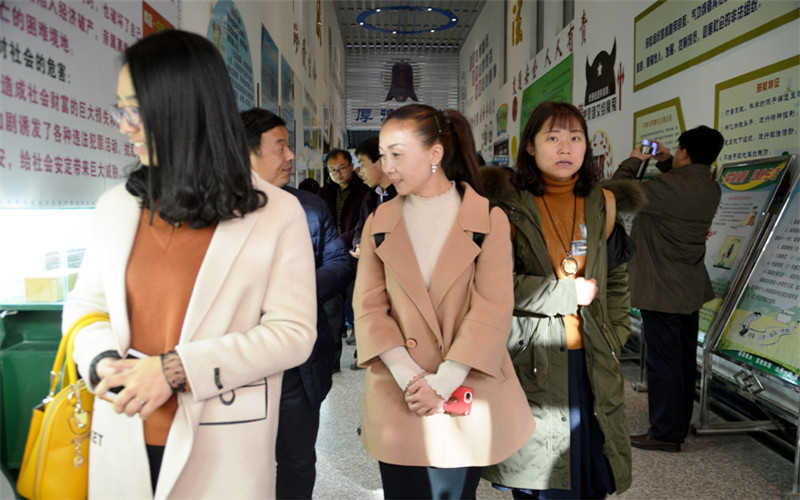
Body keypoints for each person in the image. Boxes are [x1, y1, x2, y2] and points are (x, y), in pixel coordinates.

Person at [65, 30, 316, 499]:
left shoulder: (276, 213)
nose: (124, 126)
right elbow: (86, 304)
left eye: (136, 110)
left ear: (183, 107)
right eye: (122, 109)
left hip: (223, 438)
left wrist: (176, 369)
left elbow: (293, 333)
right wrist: (101, 361)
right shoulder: (116, 206)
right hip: (123, 426)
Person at [353, 103, 535, 499]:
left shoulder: (488, 219)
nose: (388, 167)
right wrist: (411, 377)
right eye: (383, 156)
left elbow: (492, 308)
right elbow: (368, 307)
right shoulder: (378, 222)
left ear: (435, 153)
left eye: (397, 155)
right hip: (398, 393)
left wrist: (444, 381)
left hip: (463, 390)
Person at [482, 101, 640, 498]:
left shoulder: (602, 204)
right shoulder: (509, 207)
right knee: (541, 476)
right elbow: (493, 285)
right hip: (532, 358)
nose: (565, 148)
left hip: (592, 359)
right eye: (552, 138)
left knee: (591, 473)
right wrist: (565, 293)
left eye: (575, 137)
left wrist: (616, 332)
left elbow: (617, 277)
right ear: (530, 146)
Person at [240, 107, 354, 498]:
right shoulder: (214, 212)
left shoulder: (309, 207)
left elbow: (340, 263)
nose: (291, 156)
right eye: (280, 147)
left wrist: (295, 288)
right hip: (238, 362)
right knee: (240, 462)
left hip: (298, 364)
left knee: (298, 460)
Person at [612, 125, 723, 453]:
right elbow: (679, 185)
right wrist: (664, 160)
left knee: (664, 363)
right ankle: (677, 423)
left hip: (661, 288)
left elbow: (614, 192)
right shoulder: (711, 187)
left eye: (677, 151)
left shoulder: (665, 188)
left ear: (684, 153)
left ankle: (665, 433)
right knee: (684, 360)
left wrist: (635, 160)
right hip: (689, 287)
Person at [345, 136, 397, 355]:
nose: (360, 172)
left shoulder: (403, 196)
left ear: (381, 161)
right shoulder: (370, 197)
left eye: (364, 165)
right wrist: (359, 245)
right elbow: (360, 227)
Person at [318, 149, 370, 371]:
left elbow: (362, 223)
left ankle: (363, 355)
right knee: (331, 310)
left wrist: (338, 242)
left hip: (355, 256)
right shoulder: (323, 193)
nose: (337, 174)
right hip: (330, 261)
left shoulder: (365, 191)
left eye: (341, 168)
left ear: (351, 166)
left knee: (359, 307)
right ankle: (332, 362)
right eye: (332, 170)